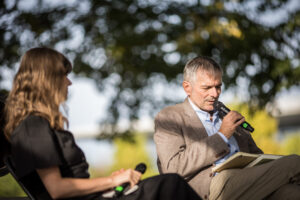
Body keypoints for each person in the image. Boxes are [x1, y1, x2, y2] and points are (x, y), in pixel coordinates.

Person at [3, 47, 202, 200]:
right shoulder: (33, 126)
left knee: (168, 185)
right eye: (64, 75)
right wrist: (113, 180)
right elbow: (56, 189)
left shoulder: (37, 125)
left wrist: (108, 184)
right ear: (46, 79)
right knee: (170, 184)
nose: (69, 83)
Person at [154, 56, 300, 200]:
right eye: (207, 87)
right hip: (211, 188)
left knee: (292, 192)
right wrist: (222, 135)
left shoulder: (227, 114)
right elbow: (172, 168)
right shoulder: (169, 117)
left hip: (249, 182)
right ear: (187, 87)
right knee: (294, 163)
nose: (215, 94)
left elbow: (258, 157)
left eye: (218, 86)